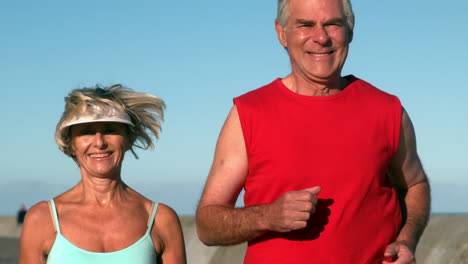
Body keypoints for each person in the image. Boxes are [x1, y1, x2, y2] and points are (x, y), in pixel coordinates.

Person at [196, 0, 430, 263]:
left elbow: (415, 185)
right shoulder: (248, 113)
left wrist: (406, 240)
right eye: (305, 25)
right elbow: (207, 225)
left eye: (332, 24)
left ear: (350, 30)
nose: (321, 38)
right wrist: (268, 216)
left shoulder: (388, 109)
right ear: (281, 33)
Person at [19, 85, 186, 264]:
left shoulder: (161, 219)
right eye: (86, 131)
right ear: (70, 145)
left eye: (110, 130)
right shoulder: (42, 218)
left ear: (128, 139)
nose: (99, 142)